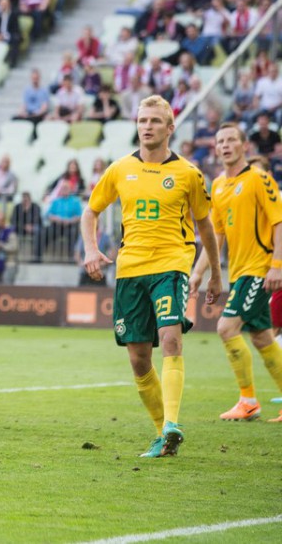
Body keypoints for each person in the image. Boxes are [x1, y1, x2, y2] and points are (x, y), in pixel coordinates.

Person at [82, 95, 222, 459]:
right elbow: (90, 212)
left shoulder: (188, 174)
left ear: (170, 128)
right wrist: (91, 249)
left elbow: (206, 226)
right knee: (139, 358)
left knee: (171, 339)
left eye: (155, 121)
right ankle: (162, 434)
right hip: (130, 271)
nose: (147, 126)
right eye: (143, 120)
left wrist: (214, 273)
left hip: (171, 265)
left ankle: (172, 422)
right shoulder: (119, 169)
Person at [189, 124, 282, 422]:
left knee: (226, 328)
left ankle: (248, 401)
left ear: (245, 146)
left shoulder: (259, 178)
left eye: (231, 140)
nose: (225, 145)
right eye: (220, 141)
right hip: (239, 272)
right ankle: (250, 402)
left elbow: (279, 221)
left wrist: (277, 265)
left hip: (259, 268)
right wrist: (198, 272)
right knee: (263, 338)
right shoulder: (217, 186)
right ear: (215, 148)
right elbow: (215, 237)